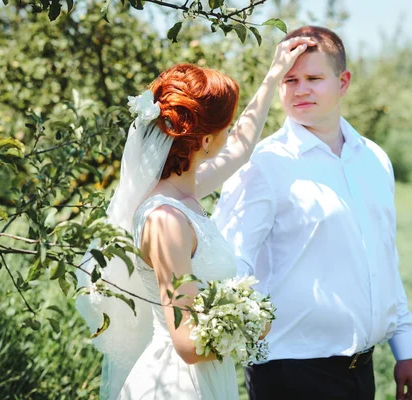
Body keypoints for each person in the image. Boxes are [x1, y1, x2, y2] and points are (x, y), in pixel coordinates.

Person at [75, 36, 316, 400]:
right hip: (176, 385)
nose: (231, 132)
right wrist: (254, 320)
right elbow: (187, 341)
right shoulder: (164, 220)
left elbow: (242, 146)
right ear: (205, 141)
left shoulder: (183, 194)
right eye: (226, 124)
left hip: (203, 379)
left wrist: (274, 75)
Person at [212, 26, 412, 400]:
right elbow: (231, 262)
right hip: (290, 371)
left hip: (362, 369)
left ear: (343, 82)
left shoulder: (374, 158)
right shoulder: (263, 164)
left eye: (313, 78)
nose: (300, 89)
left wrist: (404, 350)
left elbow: (384, 259)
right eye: (289, 79)